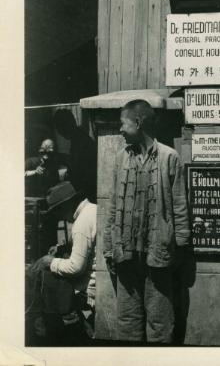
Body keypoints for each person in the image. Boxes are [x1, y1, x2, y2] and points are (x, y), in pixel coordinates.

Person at [103, 99, 190, 344]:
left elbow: (180, 204)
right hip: (126, 253)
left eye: (123, 123)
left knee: (160, 320)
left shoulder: (168, 158)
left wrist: (181, 245)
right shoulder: (120, 158)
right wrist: (109, 245)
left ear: (138, 123)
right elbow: (112, 204)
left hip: (157, 251)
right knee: (127, 318)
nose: (120, 129)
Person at [26, 181, 97, 344]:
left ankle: (50, 323)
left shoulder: (81, 223)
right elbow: (88, 243)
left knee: (43, 273)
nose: (59, 216)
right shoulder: (92, 209)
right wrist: (62, 247)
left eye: (58, 211)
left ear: (67, 205)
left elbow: (75, 268)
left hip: (91, 285)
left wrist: (50, 261)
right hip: (99, 273)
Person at [53, 109, 97, 203]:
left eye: (59, 127)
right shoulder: (77, 138)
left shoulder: (80, 140)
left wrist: (60, 159)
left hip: (88, 192)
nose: (58, 131)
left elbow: (78, 167)